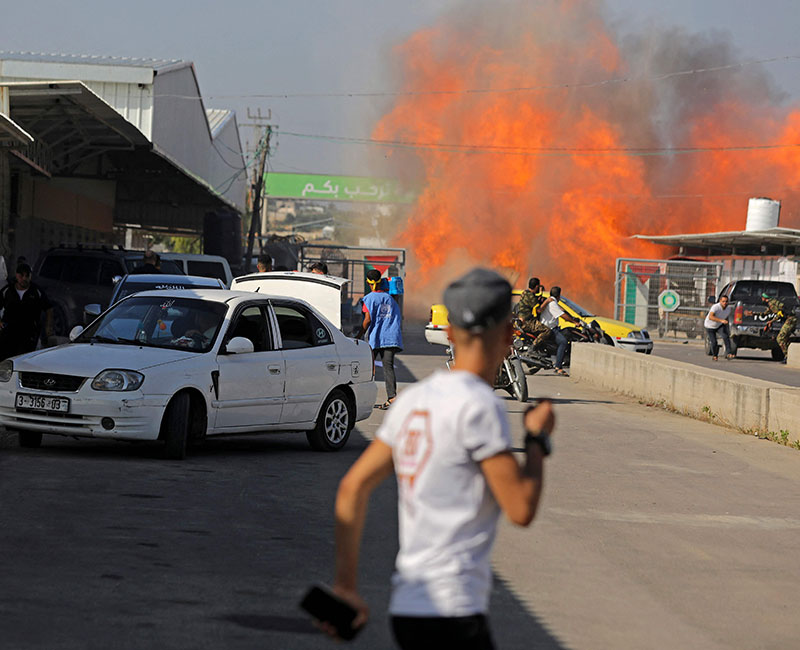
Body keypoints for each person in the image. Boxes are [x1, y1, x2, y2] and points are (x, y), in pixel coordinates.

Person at [331, 268, 555, 649]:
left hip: (407, 609)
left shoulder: (412, 401)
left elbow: (353, 488)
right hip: (455, 610)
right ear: (508, 335)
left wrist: (345, 587)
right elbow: (520, 508)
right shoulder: (481, 405)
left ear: (449, 334)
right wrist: (536, 440)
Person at [357, 269, 403, 409]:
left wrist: (358, 336)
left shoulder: (368, 298)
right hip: (391, 337)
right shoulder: (390, 298)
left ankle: (363, 400)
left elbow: (367, 320)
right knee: (388, 367)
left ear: (369, 283)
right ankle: (392, 397)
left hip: (376, 338)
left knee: (368, 369)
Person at [0, 262, 53, 360]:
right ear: (17, 275)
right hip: (8, 332)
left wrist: (48, 326)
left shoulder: (37, 291)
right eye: (21, 275)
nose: (24, 278)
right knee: (5, 359)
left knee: (24, 359)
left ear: (30, 276)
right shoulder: (7, 290)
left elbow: (49, 308)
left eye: (27, 275)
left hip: (29, 332)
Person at [538, 286, 580, 375]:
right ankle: (558, 367)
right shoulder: (552, 303)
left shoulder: (553, 302)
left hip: (552, 328)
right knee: (563, 342)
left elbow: (562, 311)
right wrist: (574, 322)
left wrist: (572, 317)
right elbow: (562, 315)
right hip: (550, 329)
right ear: (559, 295)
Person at [761, 292, 797, 362]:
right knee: (785, 339)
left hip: (790, 319)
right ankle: (788, 356)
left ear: (764, 298)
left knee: (780, 338)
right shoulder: (773, 302)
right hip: (791, 319)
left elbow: (779, 314)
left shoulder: (772, 304)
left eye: (762, 297)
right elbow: (767, 313)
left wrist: (771, 321)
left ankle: (787, 356)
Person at [516, 276, 549, 342]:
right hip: (527, 322)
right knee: (547, 331)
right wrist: (547, 301)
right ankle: (534, 347)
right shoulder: (531, 296)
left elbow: (533, 302)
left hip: (523, 321)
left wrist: (540, 297)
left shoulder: (525, 293)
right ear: (536, 287)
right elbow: (539, 310)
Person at [704, 295, 733, 361]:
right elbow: (710, 317)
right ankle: (715, 355)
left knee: (725, 336)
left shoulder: (728, 309)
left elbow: (727, 316)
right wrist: (721, 320)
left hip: (719, 325)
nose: (724, 303)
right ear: (720, 301)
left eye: (726, 301)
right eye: (723, 301)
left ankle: (728, 353)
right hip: (710, 326)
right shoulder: (715, 307)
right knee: (714, 342)